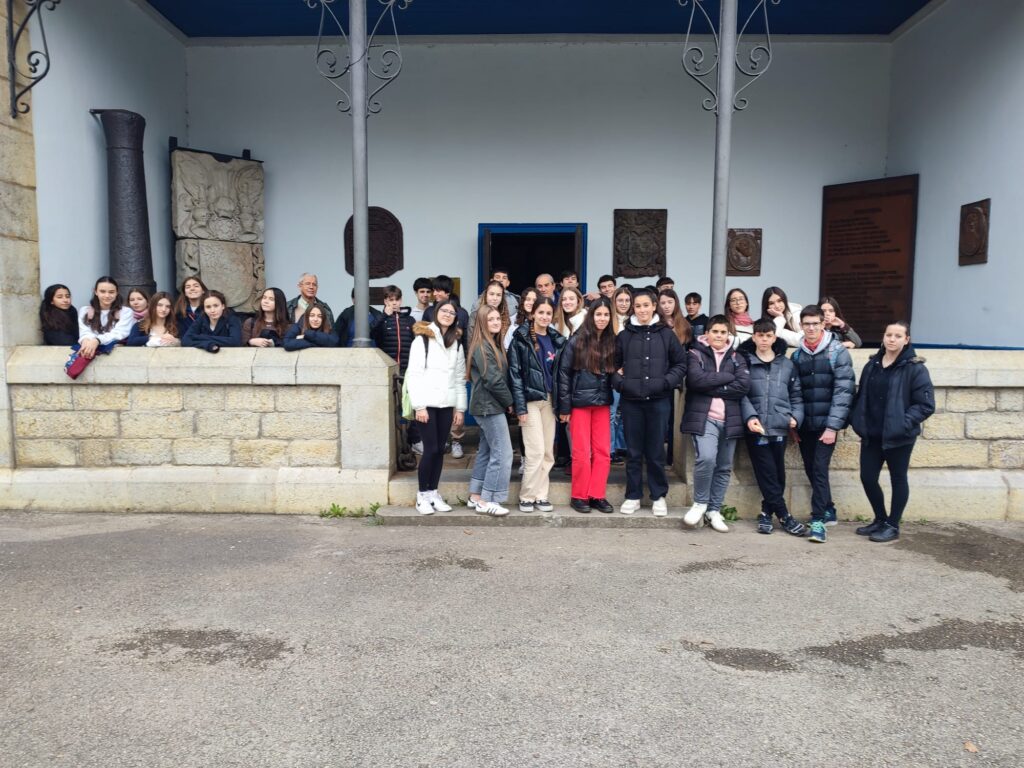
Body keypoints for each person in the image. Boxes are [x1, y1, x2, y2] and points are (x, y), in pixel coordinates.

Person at [849, 321, 935, 542]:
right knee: (868, 477)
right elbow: (862, 396)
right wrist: (857, 420)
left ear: (906, 340)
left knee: (898, 479)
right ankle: (880, 519)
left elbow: (925, 405)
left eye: (898, 336)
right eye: (889, 335)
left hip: (899, 436)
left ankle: (892, 525)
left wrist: (902, 423)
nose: (892, 339)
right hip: (872, 434)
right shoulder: (872, 365)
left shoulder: (915, 368)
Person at [613, 288, 687, 516]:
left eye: (646, 305)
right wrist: (622, 384)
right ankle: (633, 495)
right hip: (631, 402)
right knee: (633, 451)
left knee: (656, 451)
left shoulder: (666, 334)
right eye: (638, 306)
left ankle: (658, 496)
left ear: (654, 306)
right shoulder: (624, 336)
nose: (642, 310)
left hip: (658, 401)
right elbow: (612, 367)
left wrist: (666, 383)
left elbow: (680, 364)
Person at [791, 304, 856, 543]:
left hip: (827, 424)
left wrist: (832, 427)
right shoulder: (797, 355)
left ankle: (818, 520)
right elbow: (795, 392)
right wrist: (795, 425)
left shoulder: (837, 352)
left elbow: (843, 392)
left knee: (819, 468)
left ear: (823, 324)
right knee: (811, 469)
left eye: (815, 324)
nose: (811, 328)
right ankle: (829, 509)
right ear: (801, 326)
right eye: (806, 324)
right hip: (805, 424)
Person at [681, 315, 751, 532]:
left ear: (728, 334)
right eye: (715, 332)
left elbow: (743, 386)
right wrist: (728, 377)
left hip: (730, 419)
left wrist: (711, 384)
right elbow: (696, 381)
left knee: (724, 466)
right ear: (707, 333)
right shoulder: (695, 354)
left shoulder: (737, 357)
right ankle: (700, 503)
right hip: (705, 418)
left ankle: (714, 509)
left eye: (723, 332)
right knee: (706, 458)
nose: (719, 336)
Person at [738, 319, 806, 536]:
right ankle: (785, 516)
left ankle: (766, 514)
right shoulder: (745, 362)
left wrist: (796, 417)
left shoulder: (786, 365)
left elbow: (796, 394)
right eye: (760, 335)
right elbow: (741, 394)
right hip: (757, 428)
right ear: (754, 337)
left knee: (778, 474)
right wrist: (750, 417)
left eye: (768, 336)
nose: (764, 340)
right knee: (766, 472)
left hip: (780, 426)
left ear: (775, 337)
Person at [406, 302, 466, 515]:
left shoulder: (456, 343)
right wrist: (419, 406)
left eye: (452, 312)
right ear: (435, 313)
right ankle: (422, 495)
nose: (448, 315)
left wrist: (460, 408)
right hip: (427, 404)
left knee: (440, 450)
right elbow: (414, 375)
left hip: (447, 404)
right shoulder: (422, 340)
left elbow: (459, 378)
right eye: (444, 311)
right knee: (430, 449)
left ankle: (433, 492)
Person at [557, 297, 616, 514]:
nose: (602, 318)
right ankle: (579, 495)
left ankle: (597, 494)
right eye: (598, 314)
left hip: (602, 402)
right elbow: (564, 374)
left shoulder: (612, 341)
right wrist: (564, 407)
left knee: (603, 452)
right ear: (591, 316)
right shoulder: (577, 340)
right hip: (580, 403)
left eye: (606, 315)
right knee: (581, 452)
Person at [508, 296, 566, 512]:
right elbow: (514, 375)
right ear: (532, 314)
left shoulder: (557, 339)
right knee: (535, 451)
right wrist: (520, 407)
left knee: (548, 452)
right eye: (540, 312)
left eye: (548, 313)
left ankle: (541, 495)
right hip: (530, 401)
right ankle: (527, 496)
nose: (544, 316)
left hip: (550, 400)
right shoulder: (520, 338)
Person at [466, 306, 514, 517]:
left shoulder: (491, 343)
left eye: (497, 319)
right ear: (482, 323)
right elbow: (493, 379)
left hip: (489, 405)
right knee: (503, 453)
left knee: (487, 451)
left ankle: (476, 495)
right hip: (489, 407)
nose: (496, 322)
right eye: (490, 319)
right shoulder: (482, 346)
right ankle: (489, 499)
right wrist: (510, 402)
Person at [77, 276, 135, 358]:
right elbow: (84, 331)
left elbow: (119, 333)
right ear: (95, 292)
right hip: (89, 350)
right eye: (102, 291)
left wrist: (97, 340)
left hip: (116, 354)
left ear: (117, 292)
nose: (107, 295)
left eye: (111, 292)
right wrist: (86, 340)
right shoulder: (85, 311)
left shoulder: (126, 312)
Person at [609, 285, 634, 464]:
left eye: (627, 300)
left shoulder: (634, 321)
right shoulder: (609, 321)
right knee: (611, 413)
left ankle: (621, 446)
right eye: (620, 300)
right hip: (613, 373)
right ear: (614, 302)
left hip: (631, 374)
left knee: (625, 413)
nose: (624, 304)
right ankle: (610, 449)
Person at [371, 285, 415, 366]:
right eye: (391, 300)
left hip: (406, 366)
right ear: (385, 301)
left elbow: (415, 343)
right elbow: (370, 333)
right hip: (387, 366)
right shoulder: (381, 319)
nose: (394, 303)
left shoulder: (410, 320)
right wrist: (384, 315)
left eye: (397, 299)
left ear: (401, 300)